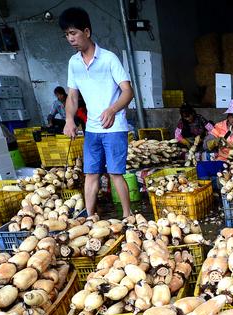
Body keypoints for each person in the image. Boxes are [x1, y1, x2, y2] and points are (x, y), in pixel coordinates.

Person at [60, 7, 134, 218]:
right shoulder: (73, 63)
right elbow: (72, 96)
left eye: (73, 33)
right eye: (66, 34)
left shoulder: (109, 59)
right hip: (92, 129)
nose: (70, 39)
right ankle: (90, 217)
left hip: (114, 127)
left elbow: (128, 91)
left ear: (87, 31)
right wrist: (69, 119)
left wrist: (112, 109)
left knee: (115, 173)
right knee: (90, 174)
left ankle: (128, 216)